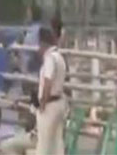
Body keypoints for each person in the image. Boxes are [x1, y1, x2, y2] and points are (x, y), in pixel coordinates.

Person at [35, 26, 67, 154]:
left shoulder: (49, 58)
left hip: (50, 104)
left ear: (43, 43)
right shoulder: (59, 57)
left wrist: (43, 102)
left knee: (44, 143)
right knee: (57, 142)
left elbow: (48, 81)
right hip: (59, 102)